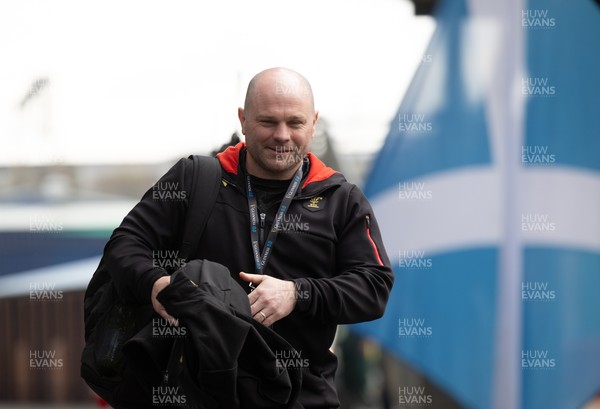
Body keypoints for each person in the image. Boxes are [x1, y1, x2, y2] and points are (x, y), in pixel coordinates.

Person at [104, 67, 394, 408]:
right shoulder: (195, 179)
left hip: (300, 396)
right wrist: (155, 284)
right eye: (268, 122)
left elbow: (374, 286)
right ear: (243, 120)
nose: (282, 135)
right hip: (197, 394)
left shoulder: (341, 199)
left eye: (295, 123)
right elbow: (124, 244)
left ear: (313, 122)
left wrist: (296, 293)